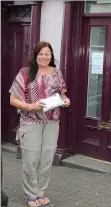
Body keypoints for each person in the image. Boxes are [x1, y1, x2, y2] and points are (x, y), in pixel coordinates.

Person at [9, 41, 70, 207]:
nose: (44, 57)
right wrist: (30, 106)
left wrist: (66, 100)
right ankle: (30, 195)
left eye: (47, 54)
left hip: (51, 123)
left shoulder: (57, 73)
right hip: (30, 122)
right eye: (41, 54)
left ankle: (40, 192)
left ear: (51, 56)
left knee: (46, 159)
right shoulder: (25, 73)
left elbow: (62, 94)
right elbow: (12, 99)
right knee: (31, 160)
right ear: (35, 56)